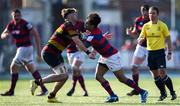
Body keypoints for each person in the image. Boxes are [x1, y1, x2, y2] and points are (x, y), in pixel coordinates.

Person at [30, 8, 93, 103]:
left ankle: (52, 96)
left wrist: (101, 37)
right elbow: (77, 41)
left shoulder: (72, 27)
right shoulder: (68, 25)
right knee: (63, 76)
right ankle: (37, 82)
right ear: (69, 16)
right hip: (50, 52)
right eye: (74, 14)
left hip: (56, 53)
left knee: (64, 76)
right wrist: (88, 52)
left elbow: (84, 37)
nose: (76, 15)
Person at [84, 12, 148, 103]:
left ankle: (142, 92)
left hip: (112, 57)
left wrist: (78, 37)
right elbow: (94, 40)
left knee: (122, 79)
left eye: (87, 23)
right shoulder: (96, 30)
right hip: (105, 56)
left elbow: (83, 45)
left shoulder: (92, 36)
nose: (85, 24)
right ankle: (113, 96)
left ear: (93, 25)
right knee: (98, 76)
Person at [0, 9, 48, 96]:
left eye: (18, 16)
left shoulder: (25, 24)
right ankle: (44, 89)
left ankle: (11, 91)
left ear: (21, 16)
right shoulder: (11, 24)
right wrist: (4, 35)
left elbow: (36, 34)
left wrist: (38, 50)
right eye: (15, 16)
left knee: (13, 67)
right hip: (22, 49)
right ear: (13, 16)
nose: (16, 17)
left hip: (25, 48)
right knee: (32, 69)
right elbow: (3, 33)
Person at [138, 6, 177, 101]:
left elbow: (168, 39)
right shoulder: (146, 26)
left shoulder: (162, 25)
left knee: (162, 73)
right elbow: (140, 37)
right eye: (150, 13)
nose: (151, 15)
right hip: (150, 53)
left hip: (160, 52)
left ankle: (172, 92)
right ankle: (163, 93)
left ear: (157, 14)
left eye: (153, 13)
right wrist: (140, 40)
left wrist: (170, 52)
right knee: (155, 75)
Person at [126, 4, 150, 96]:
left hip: (151, 47)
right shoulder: (138, 20)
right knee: (133, 67)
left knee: (155, 70)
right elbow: (135, 33)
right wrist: (130, 33)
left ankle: (164, 91)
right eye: (142, 10)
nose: (144, 12)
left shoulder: (152, 21)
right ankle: (136, 89)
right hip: (141, 46)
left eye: (145, 10)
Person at [66, 23, 88, 97]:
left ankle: (73, 88)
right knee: (76, 72)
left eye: (75, 14)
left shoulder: (80, 24)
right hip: (69, 52)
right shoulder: (66, 26)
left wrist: (84, 44)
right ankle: (84, 91)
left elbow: (86, 35)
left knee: (75, 67)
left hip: (79, 52)